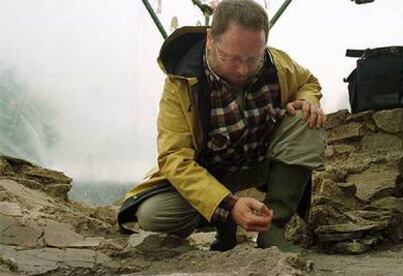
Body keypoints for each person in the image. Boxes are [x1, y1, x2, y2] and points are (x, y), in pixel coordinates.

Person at [118, 0, 326, 252]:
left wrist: (308, 100)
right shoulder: (180, 84)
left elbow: (308, 82)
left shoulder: (278, 63)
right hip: (208, 172)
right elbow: (174, 158)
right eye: (231, 58)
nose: (242, 69)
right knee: (155, 215)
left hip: (257, 163)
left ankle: (273, 228)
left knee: (306, 118)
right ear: (210, 40)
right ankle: (225, 226)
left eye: (252, 58)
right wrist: (228, 205)